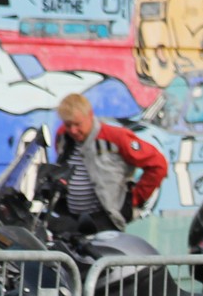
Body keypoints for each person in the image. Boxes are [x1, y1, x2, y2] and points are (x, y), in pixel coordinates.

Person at [54, 93, 168, 232]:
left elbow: (157, 164)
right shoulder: (63, 137)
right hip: (71, 218)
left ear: (90, 115)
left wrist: (135, 199)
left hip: (105, 221)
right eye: (68, 125)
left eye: (78, 124)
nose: (73, 130)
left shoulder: (115, 137)